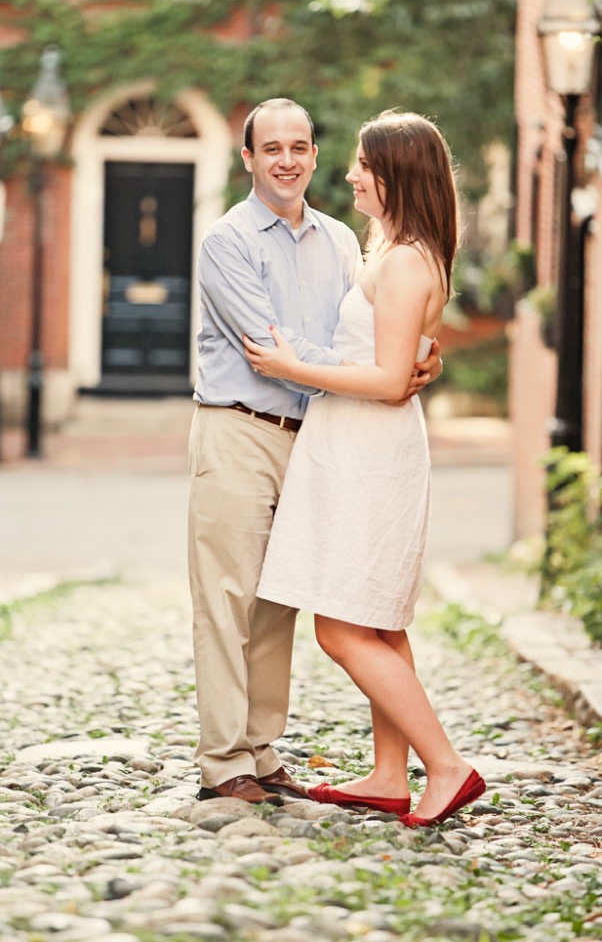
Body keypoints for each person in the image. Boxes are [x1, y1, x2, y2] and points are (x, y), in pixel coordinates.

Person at [188, 98, 442, 805]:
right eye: (271, 148)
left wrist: (418, 358)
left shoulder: (340, 240)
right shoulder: (227, 241)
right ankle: (224, 761)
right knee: (227, 599)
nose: (287, 160)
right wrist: (391, 367)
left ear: (314, 156)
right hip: (240, 429)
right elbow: (272, 348)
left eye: (299, 146)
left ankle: (264, 752)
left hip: (320, 438)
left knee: (281, 602)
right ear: (248, 158)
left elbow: (373, 326)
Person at [243, 110, 486, 826]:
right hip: (353, 448)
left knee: (343, 629)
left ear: (396, 175)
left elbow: (385, 380)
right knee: (380, 622)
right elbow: (403, 359)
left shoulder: (407, 260)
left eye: (363, 165)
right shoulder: (396, 250)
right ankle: (388, 773)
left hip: (372, 455)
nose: (350, 174)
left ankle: (445, 765)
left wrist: (293, 367)